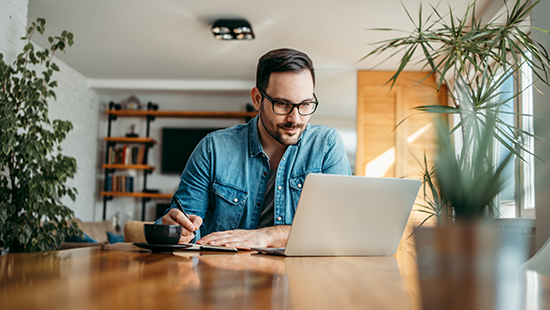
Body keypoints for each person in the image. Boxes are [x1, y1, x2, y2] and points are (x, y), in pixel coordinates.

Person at [158, 48, 351, 249]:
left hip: (300, 277)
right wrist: (176, 230)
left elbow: (339, 228)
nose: (295, 119)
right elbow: (181, 223)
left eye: (305, 104)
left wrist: (266, 236)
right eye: (282, 104)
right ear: (257, 99)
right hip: (224, 275)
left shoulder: (327, 145)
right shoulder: (213, 148)